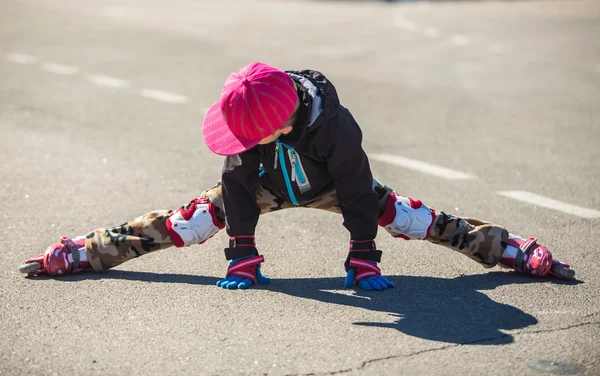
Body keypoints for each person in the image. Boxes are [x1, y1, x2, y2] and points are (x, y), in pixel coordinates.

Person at [19, 62, 575, 290]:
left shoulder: (334, 128)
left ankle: (509, 250)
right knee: (186, 223)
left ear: (281, 124)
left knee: (410, 216)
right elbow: (237, 184)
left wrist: (363, 254)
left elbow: (356, 188)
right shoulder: (250, 132)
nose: (236, 142)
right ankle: (86, 252)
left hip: (332, 182)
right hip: (263, 186)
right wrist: (242, 252)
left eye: (248, 136)